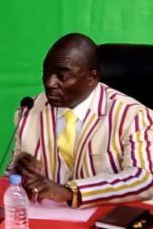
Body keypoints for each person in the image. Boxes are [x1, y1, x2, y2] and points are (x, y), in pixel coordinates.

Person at [11, 33, 153, 208]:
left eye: (61, 76)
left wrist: (72, 192)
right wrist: (19, 170)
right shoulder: (30, 111)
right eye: (46, 73)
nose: (49, 83)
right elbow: (13, 175)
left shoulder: (132, 116)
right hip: (48, 217)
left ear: (91, 77)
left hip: (109, 219)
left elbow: (144, 179)